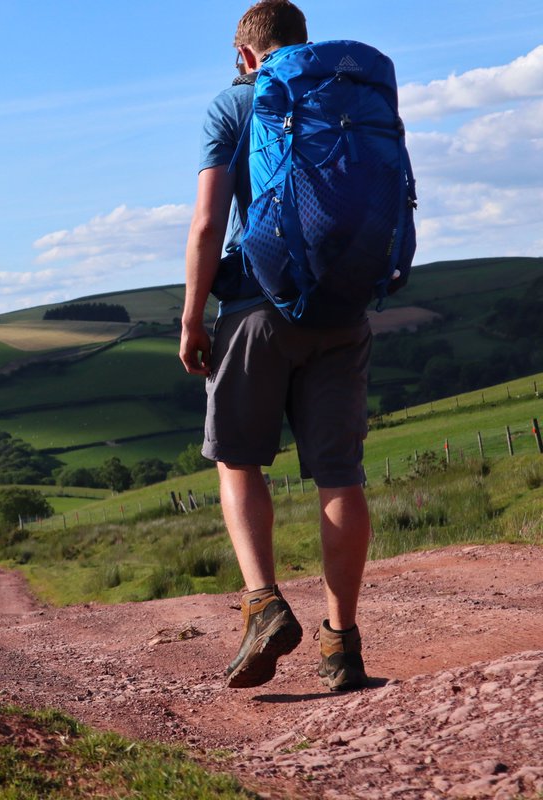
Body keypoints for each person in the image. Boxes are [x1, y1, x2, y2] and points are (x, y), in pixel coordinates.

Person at [178, 0, 370, 692]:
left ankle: (262, 602)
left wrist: (193, 319)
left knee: (238, 459)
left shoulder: (234, 105)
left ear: (246, 56)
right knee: (339, 476)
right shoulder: (344, 98)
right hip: (344, 311)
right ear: (303, 45)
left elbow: (207, 225)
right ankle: (341, 645)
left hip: (257, 308)